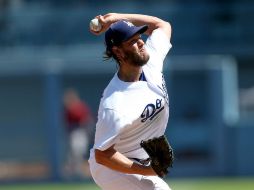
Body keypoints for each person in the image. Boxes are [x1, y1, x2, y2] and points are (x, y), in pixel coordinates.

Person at [88, 13, 172, 190]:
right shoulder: (115, 104)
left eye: (139, 36)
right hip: (110, 168)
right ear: (118, 51)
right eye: (132, 41)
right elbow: (102, 155)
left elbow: (161, 25)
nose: (141, 42)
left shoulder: (152, 61)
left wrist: (116, 17)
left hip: (139, 157)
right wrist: (145, 170)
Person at [63, 88, 94, 178]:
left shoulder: (79, 106)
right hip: (74, 133)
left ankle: (77, 172)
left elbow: (86, 120)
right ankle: (74, 172)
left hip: (81, 132)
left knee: (78, 152)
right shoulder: (68, 109)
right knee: (75, 153)